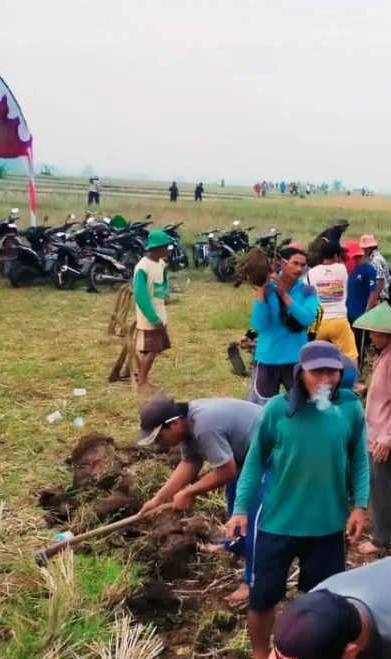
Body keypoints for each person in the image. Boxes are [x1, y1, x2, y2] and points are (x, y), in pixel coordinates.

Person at [225, 341, 370, 659]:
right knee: (262, 598)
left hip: (327, 525)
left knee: (320, 601)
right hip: (279, 522)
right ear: (300, 373)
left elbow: (359, 458)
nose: (326, 379)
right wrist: (240, 510)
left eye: (332, 372)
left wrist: (359, 505)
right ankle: (261, 653)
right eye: (316, 372)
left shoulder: (350, 408)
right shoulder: (278, 410)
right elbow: (253, 461)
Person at [137, 395, 263, 605]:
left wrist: (189, 493)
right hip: (246, 453)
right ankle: (235, 545)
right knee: (235, 499)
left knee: (250, 513)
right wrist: (157, 499)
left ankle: (252, 582)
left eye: (159, 438)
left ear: (174, 424)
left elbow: (226, 471)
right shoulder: (188, 428)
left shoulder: (204, 426)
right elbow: (190, 463)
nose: (160, 444)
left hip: (273, 451)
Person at [352, 304, 391, 556]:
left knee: (379, 485)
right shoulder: (390, 353)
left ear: (389, 334)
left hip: (384, 434)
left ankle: (383, 538)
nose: (373, 337)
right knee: (389, 482)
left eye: (377, 333)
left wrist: (387, 438)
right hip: (378, 429)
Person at [248, 247, 319, 405]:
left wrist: (284, 296)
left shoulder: (308, 291)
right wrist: (261, 292)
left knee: (301, 406)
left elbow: (307, 319)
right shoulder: (267, 288)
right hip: (268, 356)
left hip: (296, 358)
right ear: (282, 263)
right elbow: (260, 325)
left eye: (303, 265)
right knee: (260, 407)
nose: (299, 269)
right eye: (295, 263)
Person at [134, 230, 173, 393]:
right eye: (166, 247)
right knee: (151, 349)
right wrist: (152, 317)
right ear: (157, 248)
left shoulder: (160, 263)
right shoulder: (142, 267)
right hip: (150, 317)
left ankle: (142, 375)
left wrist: (165, 294)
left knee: (155, 348)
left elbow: (162, 281)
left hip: (159, 313)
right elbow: (141, 296)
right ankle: (142, 382)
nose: (168, 250)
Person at [306, 241, 359, 363]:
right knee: (351, 356)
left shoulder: (311, 273)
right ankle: (352, 381)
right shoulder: (342, 269)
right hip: (339, 320)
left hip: (318, 322)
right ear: (336, 256)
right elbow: (348, 259)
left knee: (314, 357)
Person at [345, 241, 379, 366]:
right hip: (347, 311)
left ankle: (358, 369)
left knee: (359, 343)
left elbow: (373, 292)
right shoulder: (348, 269)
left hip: (360, 313)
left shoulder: (368, 270)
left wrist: (367, 312)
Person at [360, 234, 391, 306]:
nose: (362, 251)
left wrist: (374, 298)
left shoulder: (375, 260)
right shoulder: (377, 257)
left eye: (363, 249)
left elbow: (380, 280)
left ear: (369, 248)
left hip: (379, 298)